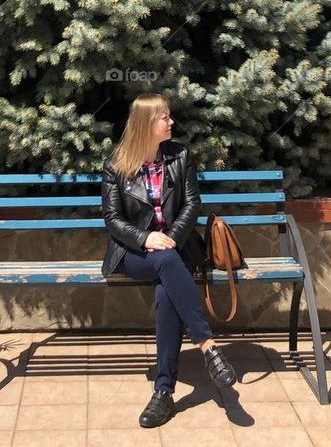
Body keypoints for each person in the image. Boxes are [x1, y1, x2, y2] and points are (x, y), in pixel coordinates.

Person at [101, 93, 237, 427]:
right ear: (148, 123)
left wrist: (171, 236)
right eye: (165, 117)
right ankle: (207, 345)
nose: (171, 122)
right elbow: (112, 218)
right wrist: (145, 237)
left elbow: (193, 204)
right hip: (132, 254)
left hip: (175, 250)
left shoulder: (180, 156)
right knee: (164, 263)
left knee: (166, 286)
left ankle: (163, 393)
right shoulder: (116, 163)